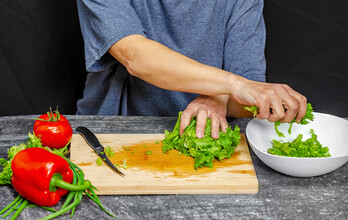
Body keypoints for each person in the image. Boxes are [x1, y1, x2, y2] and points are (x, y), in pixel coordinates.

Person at [76, 0, 307, 139]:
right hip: (111, 132)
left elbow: (251, 98)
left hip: (210, 135)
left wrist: (218, 100)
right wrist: (234, 85)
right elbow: (135, 57)